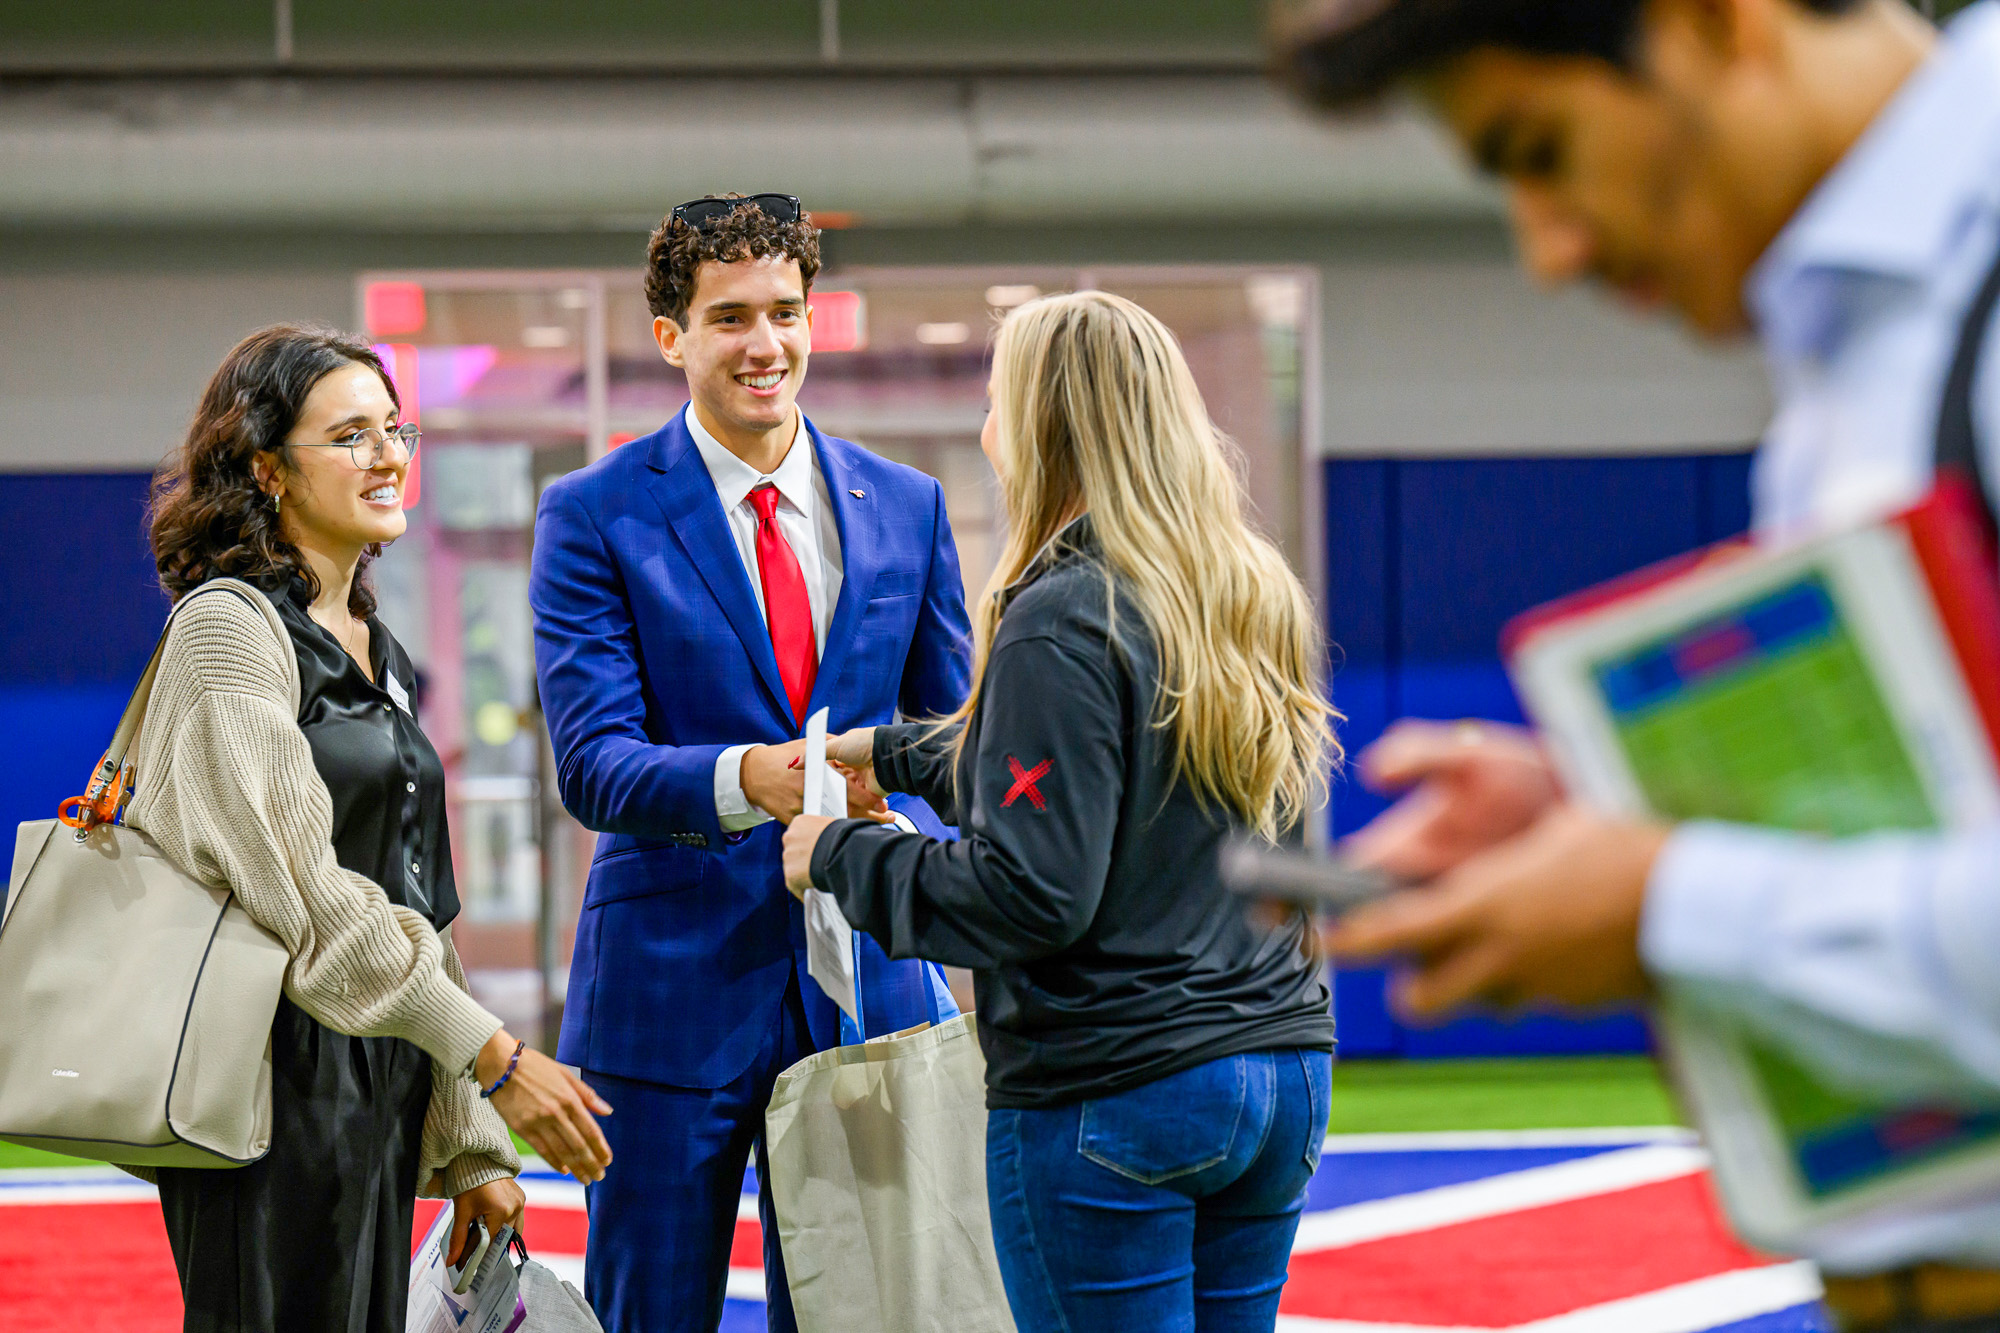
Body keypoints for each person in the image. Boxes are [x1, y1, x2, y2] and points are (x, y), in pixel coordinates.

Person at [1276, 0, 2000, 1321]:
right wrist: (1608, 821)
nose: (1547, 254)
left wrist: (1669, 897)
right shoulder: (1857, 346)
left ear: (1717, 22)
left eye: (1541, 151)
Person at [779, 290, 1339, 1333]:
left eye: (998, 400)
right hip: (1279, 1071)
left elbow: (1030, 894)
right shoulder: (1241, 590)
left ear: (1044, 424)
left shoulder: (1056, 615)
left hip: (1118, 1087)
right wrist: (892, 753)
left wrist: (839, 853)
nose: (987, 429)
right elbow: (1129, 782)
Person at [529, 193, 972, 1333]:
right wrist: (749, 780)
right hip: (665, 998)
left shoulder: (907, 507)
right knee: (650, 1315)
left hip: (866, 979)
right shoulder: (594, 513)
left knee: (863, 1317)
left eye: (784, 312)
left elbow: (954, 743)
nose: (763, 343)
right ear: (670, 336)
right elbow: (593, 764)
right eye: (729, 317)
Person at [134, 324, 612, 1332]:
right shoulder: (226, 630)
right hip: (265, 1083)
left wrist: (470, 1141)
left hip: (380, 1078)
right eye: (352, 435)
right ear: (267, 468)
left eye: (396, 429)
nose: (390, 455)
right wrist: (494, 1056)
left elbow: (417, 907)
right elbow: (310, 902)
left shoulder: (374, 646)